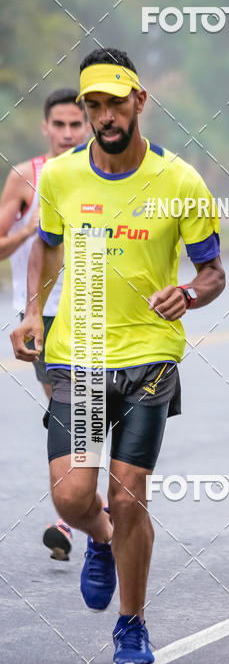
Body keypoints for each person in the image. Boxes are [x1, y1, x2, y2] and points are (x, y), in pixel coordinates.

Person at [11, 48, 225, 664]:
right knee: (71, 497)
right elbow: (47, 247)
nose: (105, 115)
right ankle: (99, 538)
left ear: (139, 101)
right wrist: (32, 312)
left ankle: (132, 625)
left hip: (149, 361)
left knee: (130, 497)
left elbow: (212, 272)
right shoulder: (60, 178)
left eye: (115, 103)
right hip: (79, 359)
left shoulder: (179, 181)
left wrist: (189, 294)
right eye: (94, 105)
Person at [0, 88, 89, 560]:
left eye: (76, 124)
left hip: (93, 310)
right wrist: (31, 228)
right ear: (45, 127)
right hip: (40, 313)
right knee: (66, 408)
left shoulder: (99, 175)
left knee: (81, 410)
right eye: (60, 124)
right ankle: (87, 508)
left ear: (88, 126)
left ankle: (74, 515)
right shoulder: (25, 177)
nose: (68, 133)